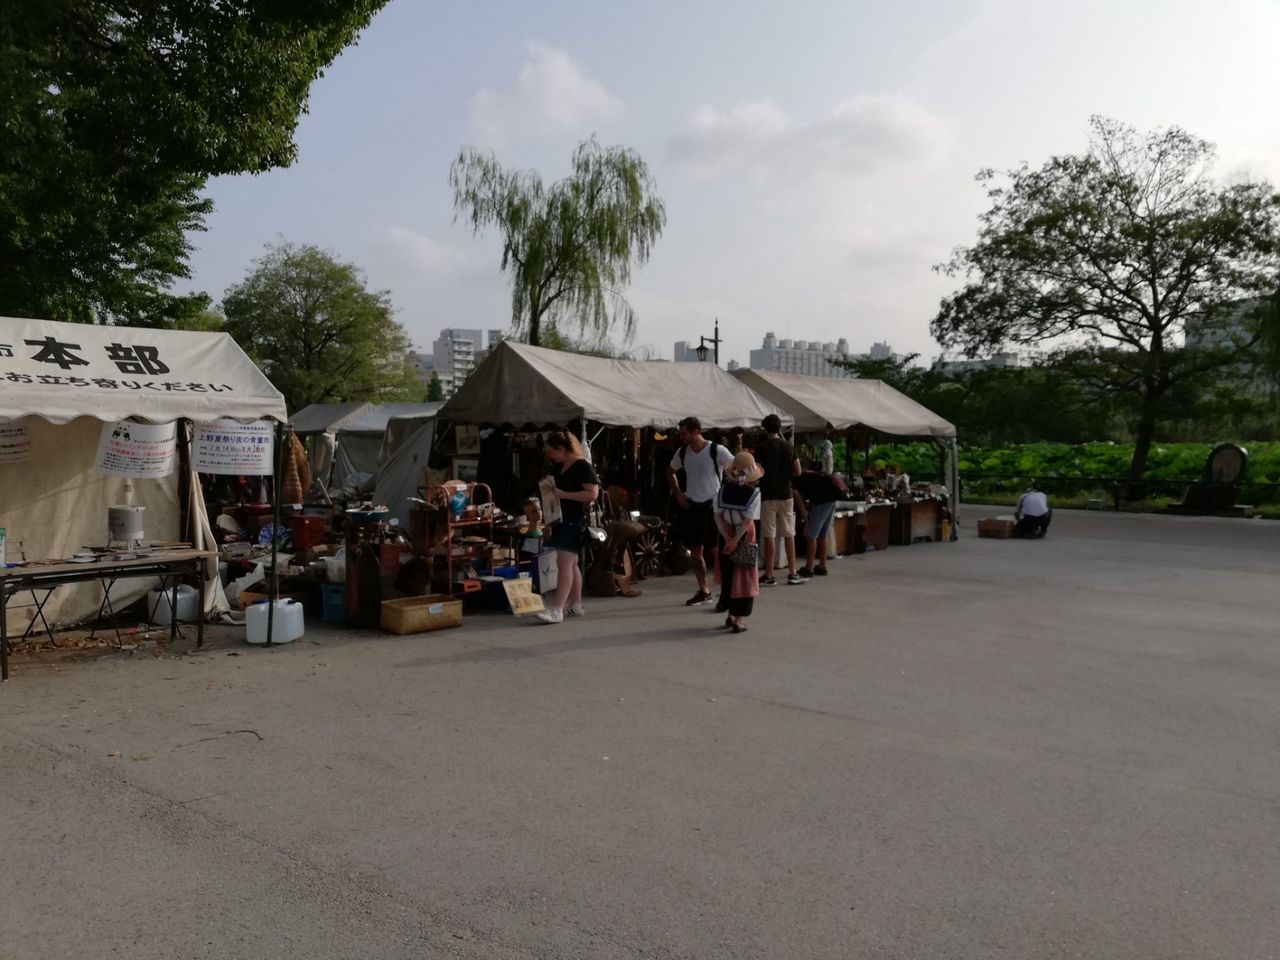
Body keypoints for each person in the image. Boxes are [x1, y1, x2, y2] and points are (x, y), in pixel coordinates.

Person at [667, 416, 735, 605]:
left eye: (684, 433)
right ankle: (704, 590)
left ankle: (726, 591)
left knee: (717, 551)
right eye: (680, 434)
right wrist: (678, 493)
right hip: (692, 506)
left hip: (713, 507)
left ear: (696, 431)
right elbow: (670, 471)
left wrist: (729, 493)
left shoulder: (716, 450)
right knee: (696, 552)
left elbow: (736, 467)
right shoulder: (683, 452)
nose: (681, 437)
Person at [535, 431, 600, 624]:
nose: (550, 456)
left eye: (551, 451)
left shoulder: (582, 466)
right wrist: (548, 520)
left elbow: (592, 494)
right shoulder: (558, 467)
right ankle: (576, 603)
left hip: (574, 519)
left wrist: (564, 494)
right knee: (571, 564)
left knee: (564, 563)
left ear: (562, 449)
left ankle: (557, 609)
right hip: (560, 518)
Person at [714, 452, 763, 633]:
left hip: (725, 534)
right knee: (744, 578)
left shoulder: (722, 491)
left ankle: (729, 613)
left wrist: (727, 538)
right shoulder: (754, 494)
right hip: (744, 536)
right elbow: (747, 521)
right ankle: (737, 620)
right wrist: (736, 540)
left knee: (728, 575)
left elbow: (717, 516)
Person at [753, 414, 803, 586]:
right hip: (786, 495)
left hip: (768, 495)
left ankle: (769, 574)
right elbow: (798, 471)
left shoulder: (761, 448)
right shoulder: (789, 447)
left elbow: (756, 472)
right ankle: (792, 572)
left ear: (765, 429)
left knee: (769, 535)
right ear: (779, 428)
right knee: (789, 534)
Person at [792, 468, 845, 577]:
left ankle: (809, 568)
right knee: (822, 534)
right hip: (831, 498)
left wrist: (806, 521)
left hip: (822, 501)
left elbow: (799, 501)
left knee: (811, 535)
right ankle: (822, 566)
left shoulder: (793, 481)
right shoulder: (806, 474)